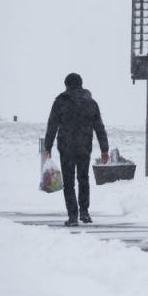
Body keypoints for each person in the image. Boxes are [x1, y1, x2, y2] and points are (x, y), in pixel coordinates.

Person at [44, 73, 109, 227]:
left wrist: (48, 147)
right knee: (83, 178)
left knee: (69, 182)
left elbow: (52, 125)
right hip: (84, 147)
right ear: (81, 84)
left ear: (66, 85)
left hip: (66, 148)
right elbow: (99, 127)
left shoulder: (60, 102)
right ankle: (85, 212)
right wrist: (104, 149)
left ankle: (73, 216)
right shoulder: (91, 103)